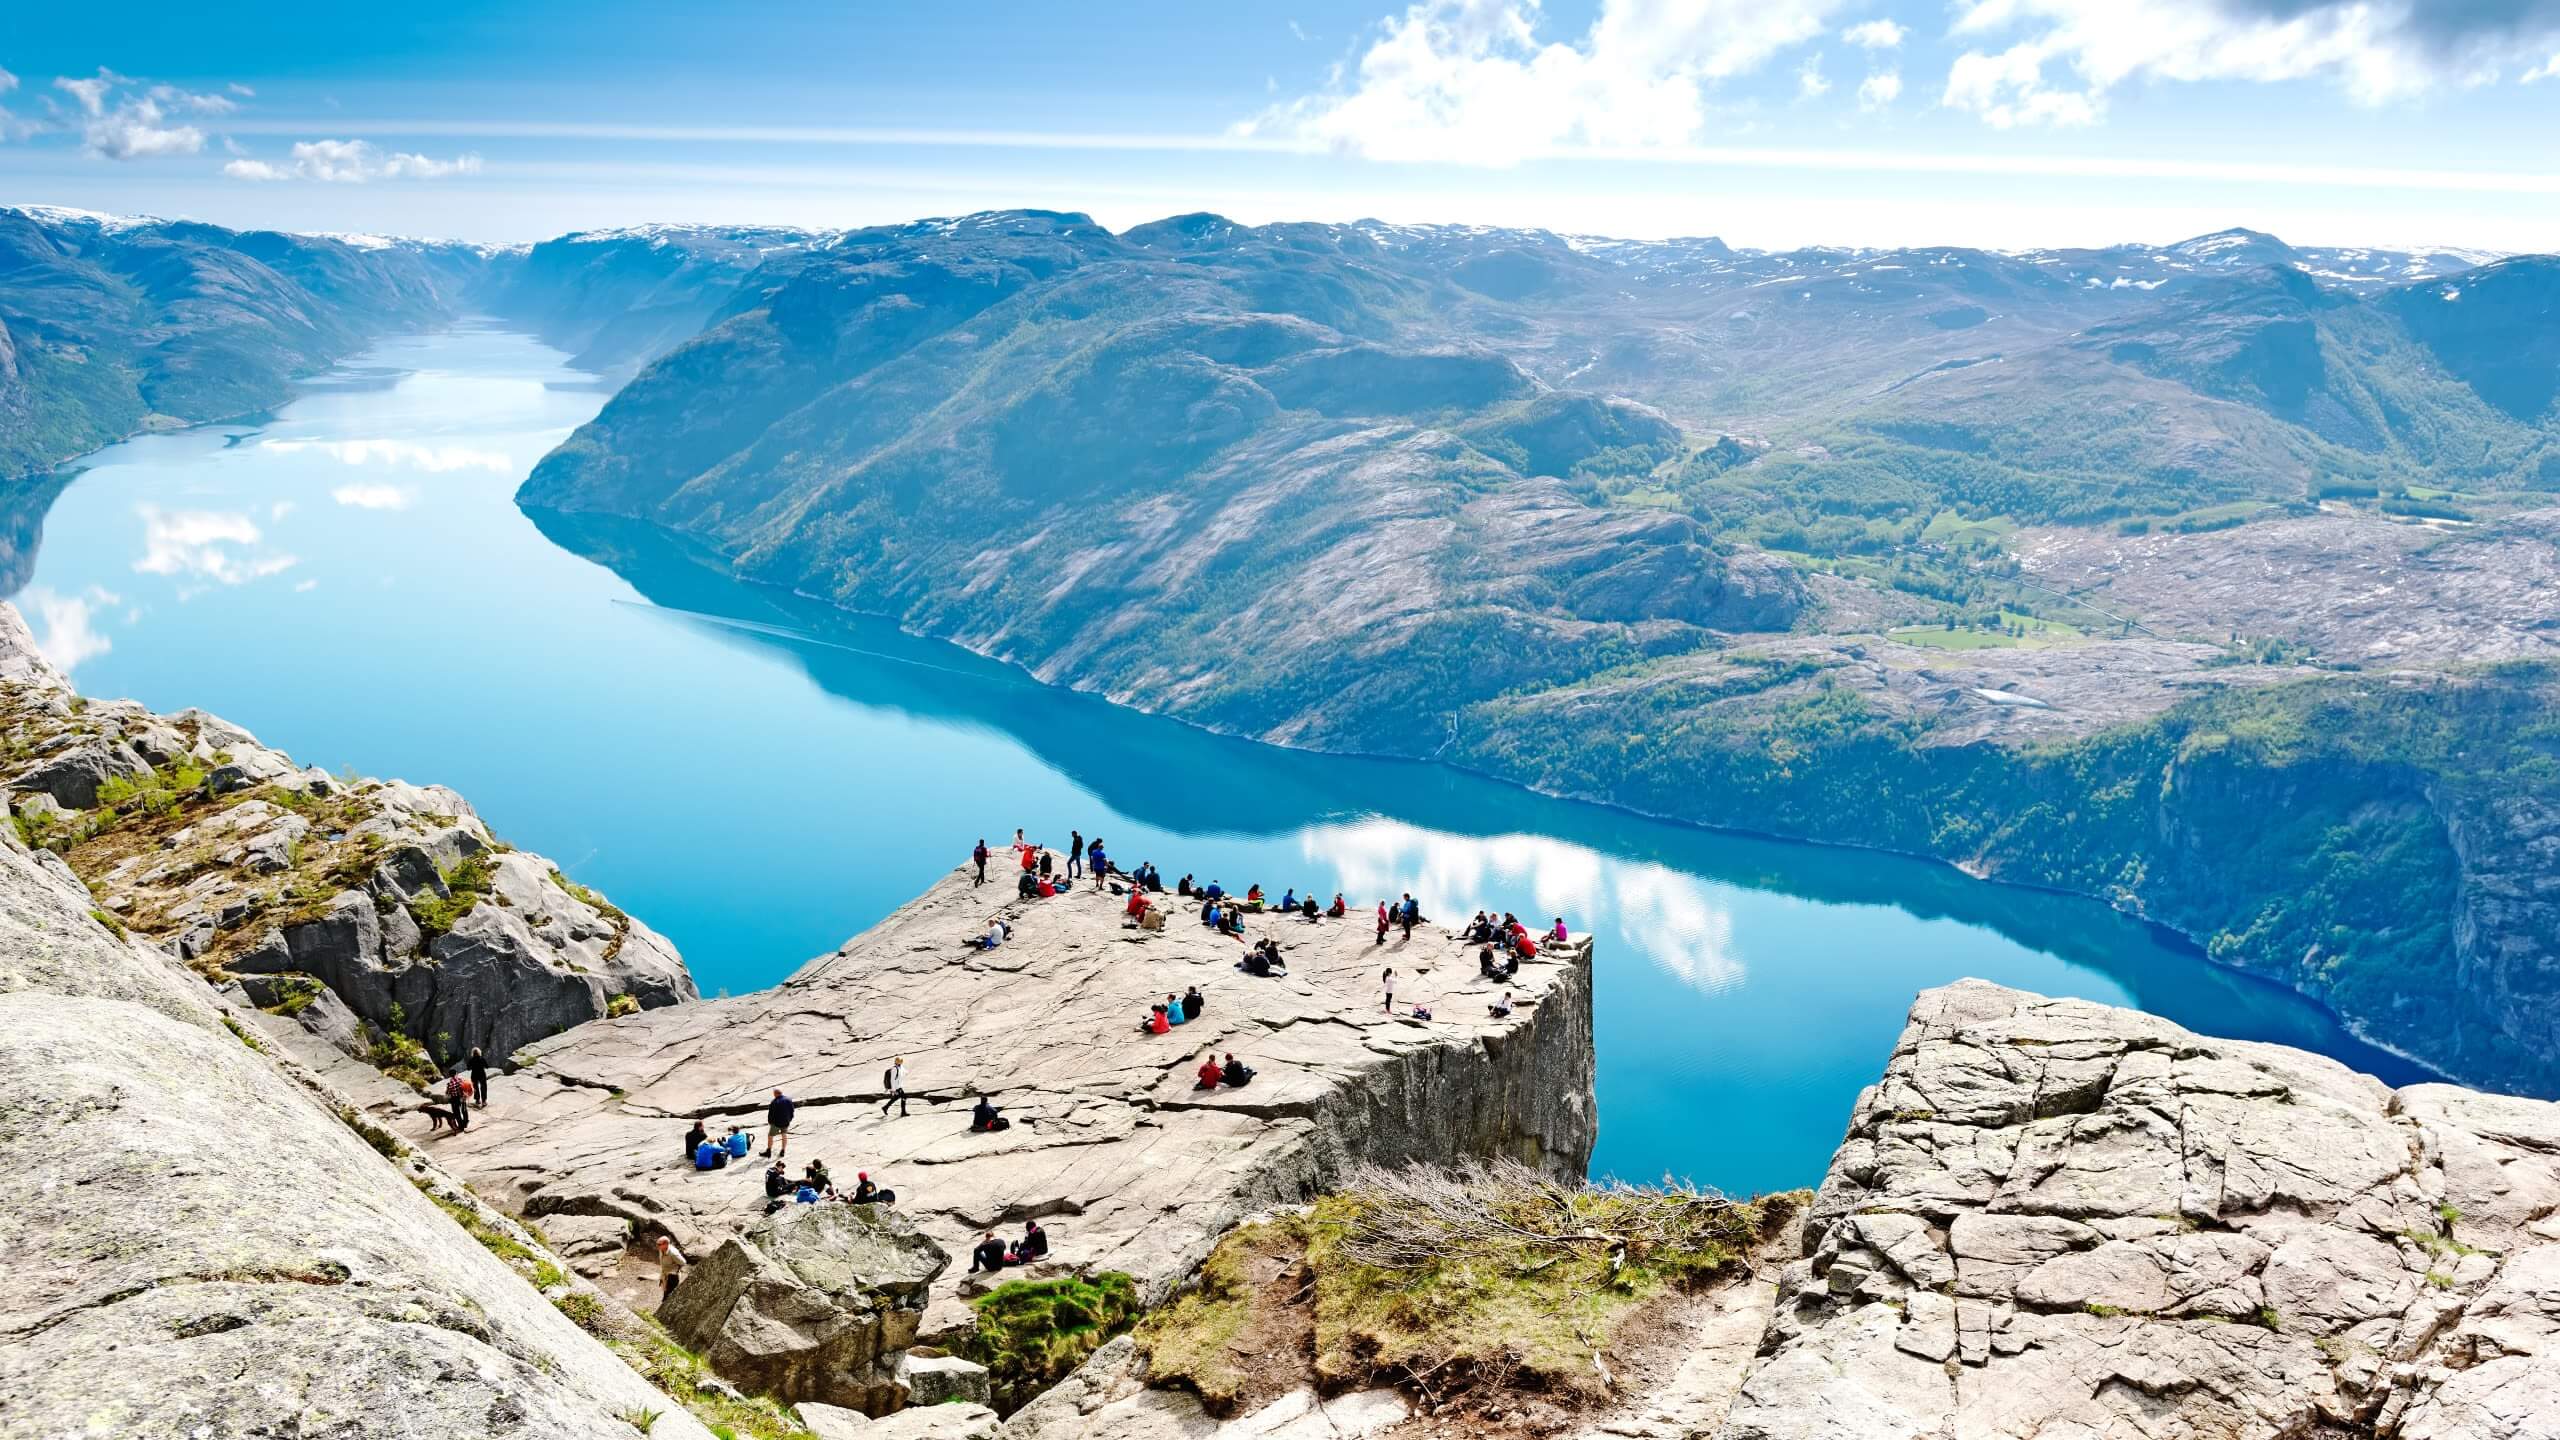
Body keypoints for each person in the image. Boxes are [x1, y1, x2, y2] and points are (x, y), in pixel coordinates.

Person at [765, 1089, 796, 1159]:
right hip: (786, 1122)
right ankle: (783, 1151)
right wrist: (789, 1119)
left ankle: (768, 1151)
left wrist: (770, 1122)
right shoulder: (789, 1099)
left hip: (776, 1123)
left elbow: (771, 1114)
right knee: (784, 1135)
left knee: (770, 1136)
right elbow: (792, 1111)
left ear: (775, 1094)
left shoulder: (774, 1102)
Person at [657, 1235, 686, 1304]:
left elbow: (683, 1262)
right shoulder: (662, 1250)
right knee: (665, 1291)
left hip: (672, 1276)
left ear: (666, 1244)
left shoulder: (673, 1253)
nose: (657, 1246)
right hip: (665, 1273)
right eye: (657, 1244)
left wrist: (675, 1270)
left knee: (669, 1294)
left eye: (659, 1244)